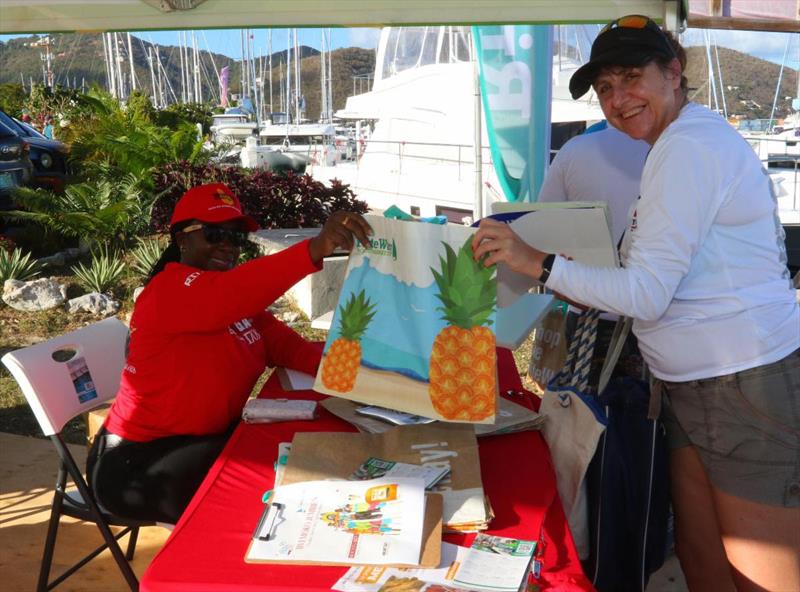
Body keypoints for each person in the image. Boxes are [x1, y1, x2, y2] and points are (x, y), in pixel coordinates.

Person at [473, 15, 799, 592]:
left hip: (742, 380)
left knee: (760, 571)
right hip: (689, 382)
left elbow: (645, 293)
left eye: (630, 77)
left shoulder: (690, 147)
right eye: (604, 88)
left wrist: (537, 262)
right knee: (700, 552)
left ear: (674, 73)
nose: (618, 99)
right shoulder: (673, 144)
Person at [87, 182, 371, 525]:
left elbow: (287, 347)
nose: (226, 245)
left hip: (206, 441)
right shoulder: (167, 292)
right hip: (136, 463)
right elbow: (229, 295)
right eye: (213, 233)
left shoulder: (233, 300)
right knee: (271, 498)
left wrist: (363, 376)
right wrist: (313, 249)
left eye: (235, 237)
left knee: (300, 463)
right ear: (182, 240)